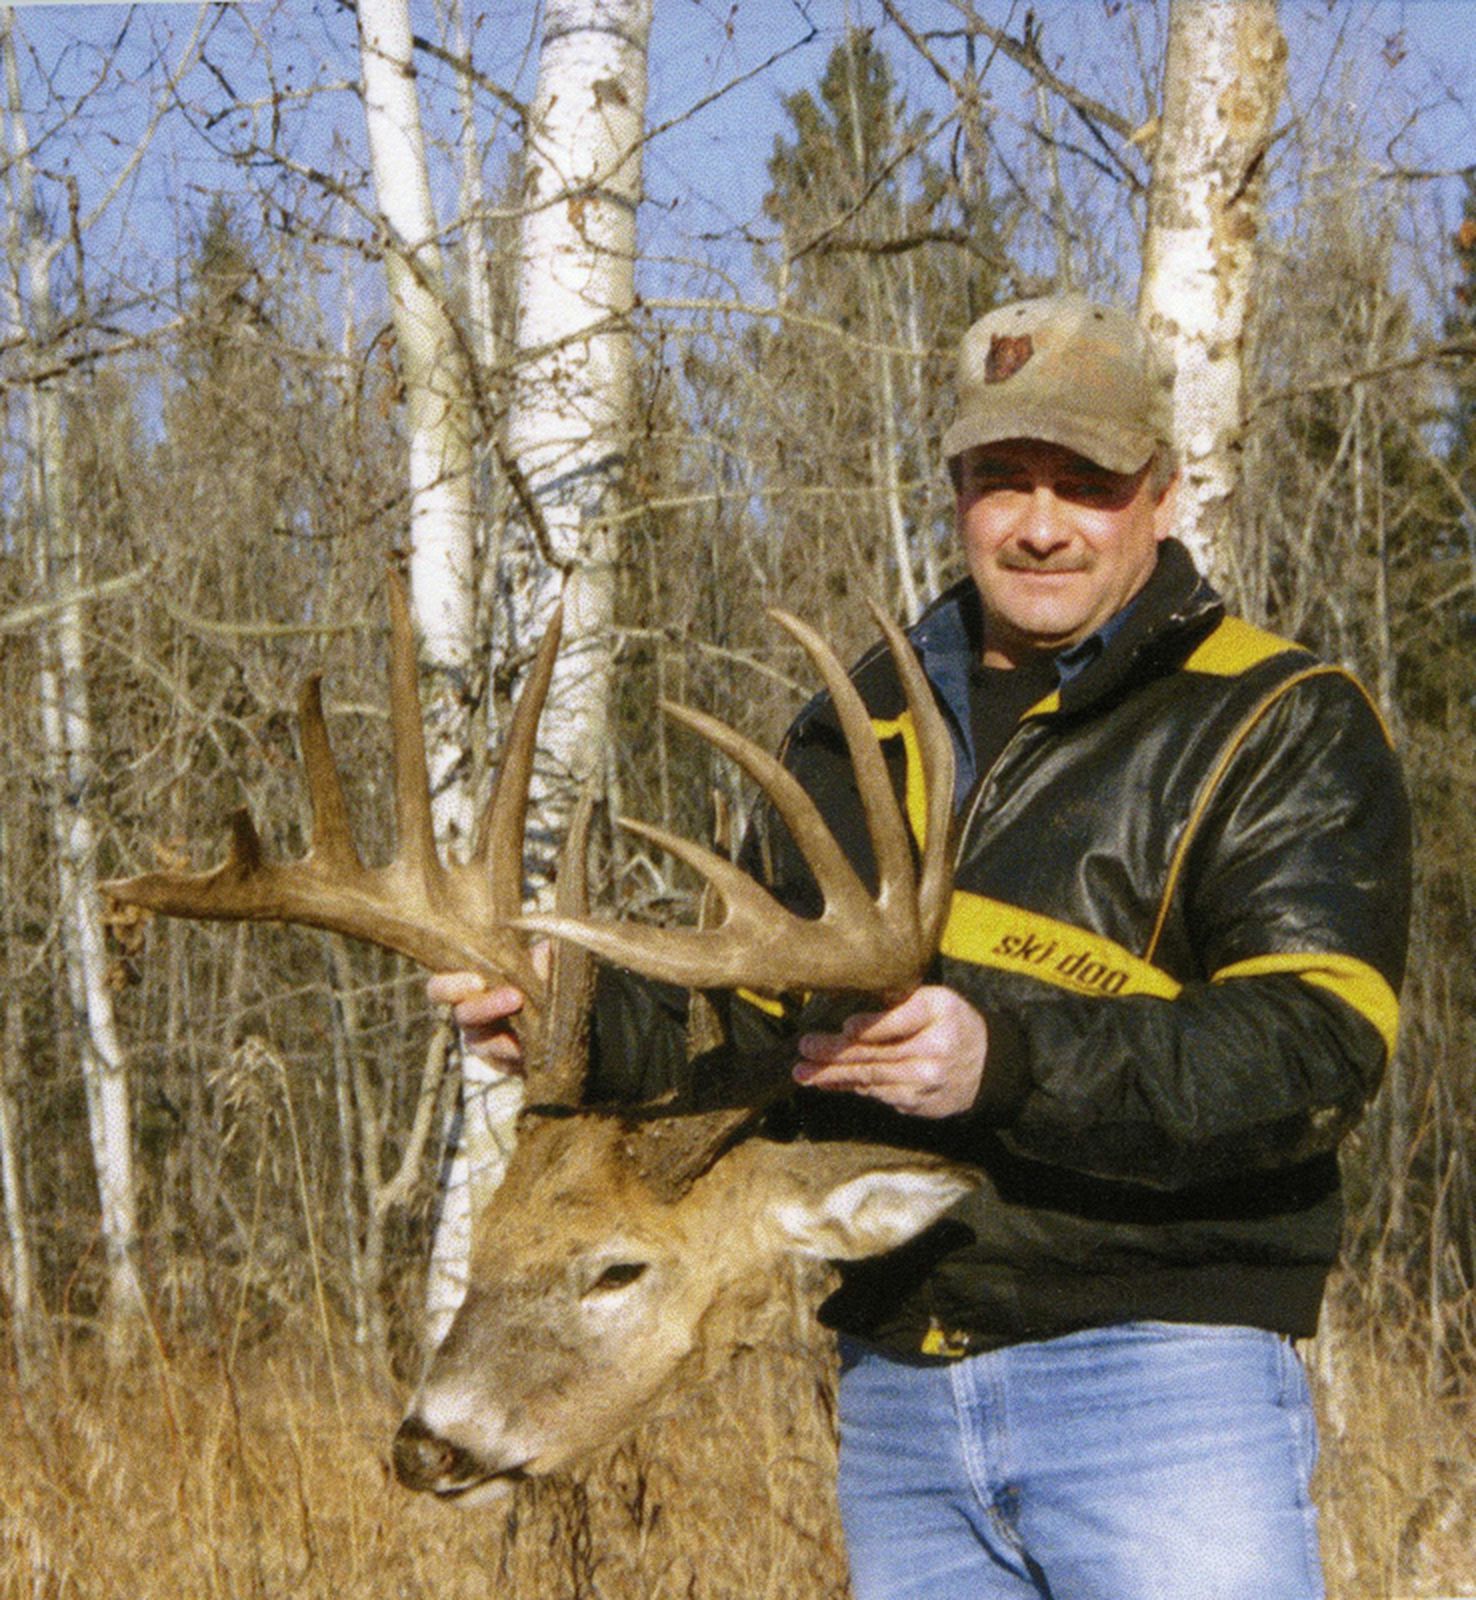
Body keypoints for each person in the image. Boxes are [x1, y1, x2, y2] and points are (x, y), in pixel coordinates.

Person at [432, 294, 1410, 1600]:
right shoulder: (856, 725)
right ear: (955, 487)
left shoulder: (1273, 718)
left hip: (1158, 1376)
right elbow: (767, 1042)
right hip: (903, 1392)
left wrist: (1004, 1059)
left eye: (1088, 483)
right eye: (1003, 479)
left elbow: (1316, 1051)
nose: (1041, 523)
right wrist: (575, 1022)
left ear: (1164, 495)